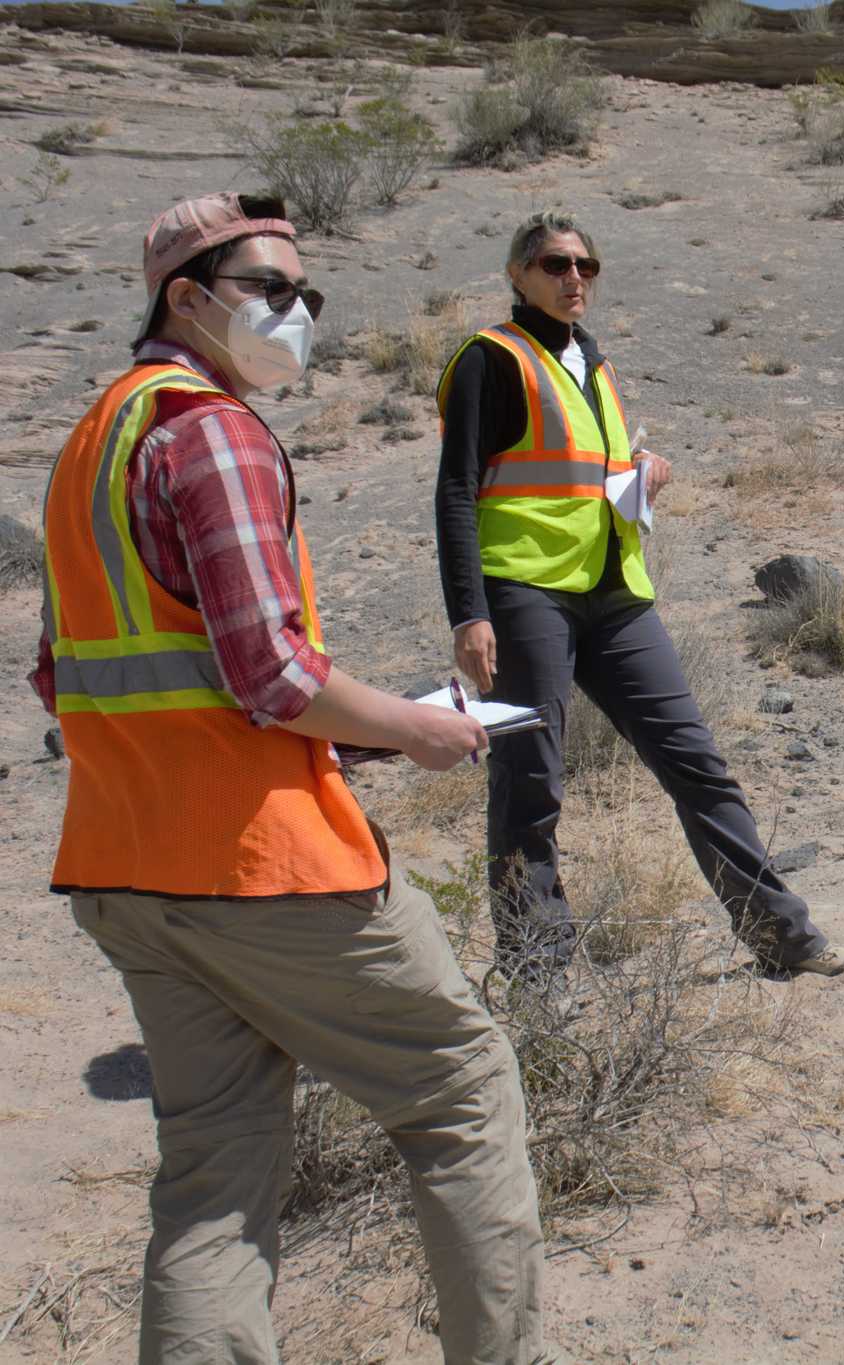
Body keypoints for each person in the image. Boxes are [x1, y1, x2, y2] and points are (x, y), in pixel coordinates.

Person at [31, 193, 549, 1362]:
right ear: (186, 296)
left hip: (125, 866)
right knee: (460, 1093)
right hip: (264, 866)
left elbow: (65, 677)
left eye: (305, 294)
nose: (298, 313)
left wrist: (353, 728)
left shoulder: (93, 441)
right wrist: (415, 727)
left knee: (214, 1177)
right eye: (272, 289)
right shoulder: (211, 430)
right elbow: (268, 674)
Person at [434, 209, 844, 982]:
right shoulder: (489, 359)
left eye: (585, 267)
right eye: (556, 264)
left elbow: (575, 469)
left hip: (613, 590)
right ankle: (537, 975)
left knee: (695, 760)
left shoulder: (590, 361)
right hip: (525, 591)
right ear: (517, 275)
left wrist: (640, 470)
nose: (573, 279)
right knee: (529, 782)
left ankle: (782, 936)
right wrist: (469, 611)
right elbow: (457, 489)